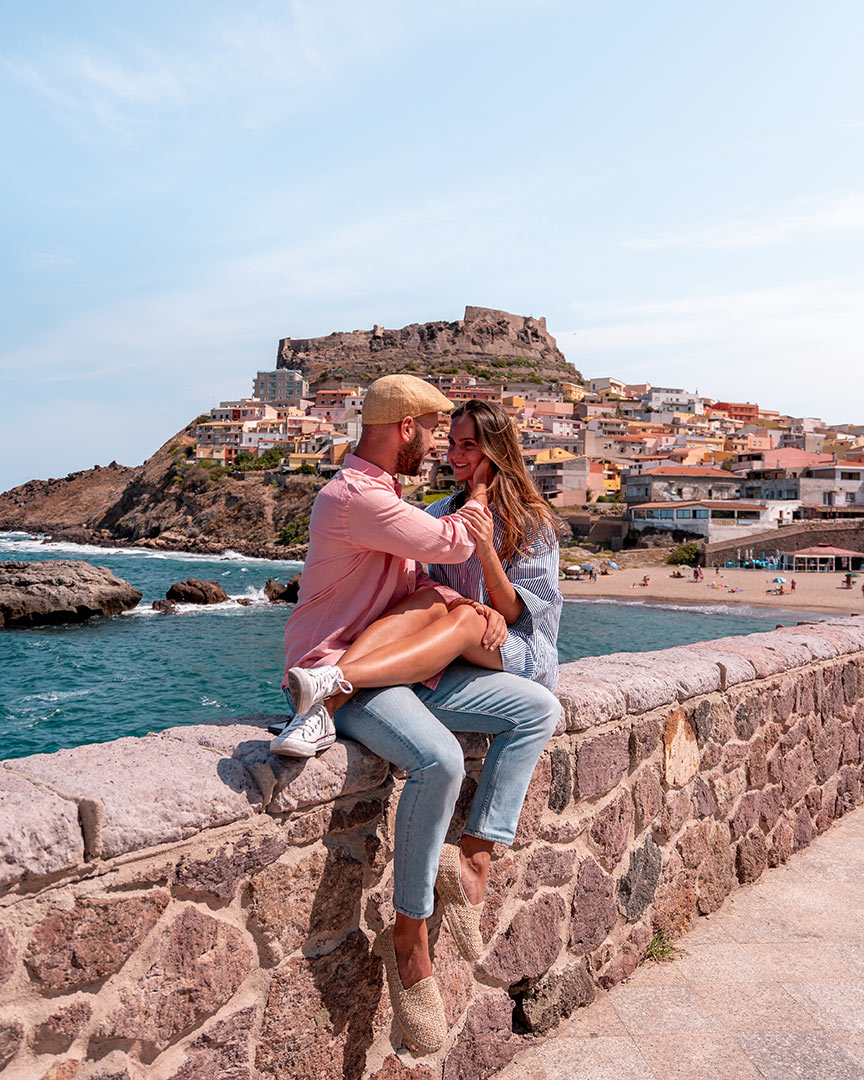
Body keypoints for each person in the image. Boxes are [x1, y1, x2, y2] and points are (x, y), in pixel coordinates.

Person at [272, 376, 561, 1053]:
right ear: (407, 428)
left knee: (537, 709)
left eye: (462, 445)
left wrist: (470, 607)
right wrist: (477, 521)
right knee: (436, 758)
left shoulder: (392, 499)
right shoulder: (361, 497)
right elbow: (454, 546)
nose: (442, 451)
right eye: (437, 435)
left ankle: (478, 852)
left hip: (407, 666)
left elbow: (420, 583)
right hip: (348, 663)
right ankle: (410, 942)